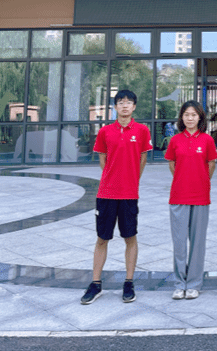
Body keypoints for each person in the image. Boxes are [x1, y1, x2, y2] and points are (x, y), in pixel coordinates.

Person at [80, 89, 152, 305]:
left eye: (129, 102)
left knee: (130, 237)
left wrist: (132, 180)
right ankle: (96, 283)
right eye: (121, 102)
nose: (125, 105)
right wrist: (112, 179)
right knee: (102, 238)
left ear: (134, 106)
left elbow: (142, 158)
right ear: (115, 106)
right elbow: (103, 160)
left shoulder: (142, 131)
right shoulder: (105, 132)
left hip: (129, 194)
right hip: (106, 193)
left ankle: (128, 282)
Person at [164, 100, 217, 299]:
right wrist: (183, 179)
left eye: (194, 115)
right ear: (181, 117)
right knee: (179, 243)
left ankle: (194, 284)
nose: (190, 118)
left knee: (198, 243)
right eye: (186, 114)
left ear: (200, 118)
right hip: (178, 196)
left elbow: (211, 164)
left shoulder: (207, 140)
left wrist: (200, 181)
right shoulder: (175, 140)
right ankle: (180, 284)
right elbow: (172, 164)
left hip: (201, 197)